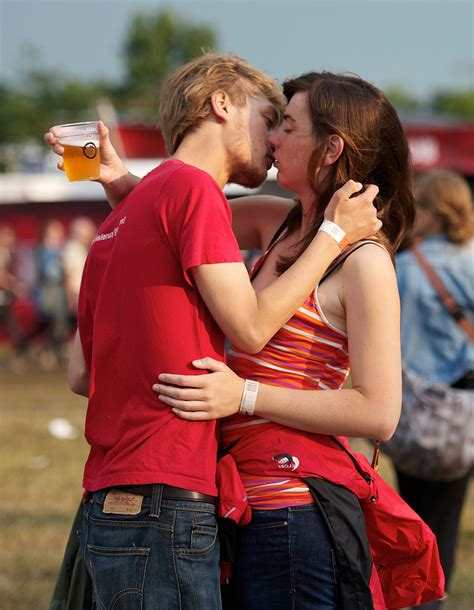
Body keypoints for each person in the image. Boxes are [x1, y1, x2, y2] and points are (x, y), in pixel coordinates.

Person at [45, 54, 380, 609]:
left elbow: (83, 376)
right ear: (222, 103)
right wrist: (334, 235)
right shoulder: (195, 191)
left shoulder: (117, 222)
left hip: (108, 490)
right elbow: (248, 328)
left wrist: (113, 176)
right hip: (166, 489)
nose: (273, 138)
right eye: (269, 116)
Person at [150, 73, 444, 609]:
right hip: (239, 505)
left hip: (295, 515)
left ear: (331, 148)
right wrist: (114, 175)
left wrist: (245, 396)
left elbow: (379, 412)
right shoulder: (275, 223)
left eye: (287, 126)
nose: (273, 139)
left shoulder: (366, 261)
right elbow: (165, 214)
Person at [393, 170, 474, 610]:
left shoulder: (404, 267)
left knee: (413, 514)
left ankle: (420, 595)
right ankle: (436, 597)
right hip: (464, 415)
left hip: (415, 411)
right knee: (447, 515)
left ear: (434, 212)